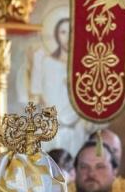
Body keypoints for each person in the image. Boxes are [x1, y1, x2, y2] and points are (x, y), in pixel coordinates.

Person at [28, 17, 87, 155]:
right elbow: (36, 93)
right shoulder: (45, 62)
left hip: (75, 126)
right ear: (56, 35)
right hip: (50, 126)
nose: (67, 37)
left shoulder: (83, 66)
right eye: (63, 32)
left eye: (71, 32)